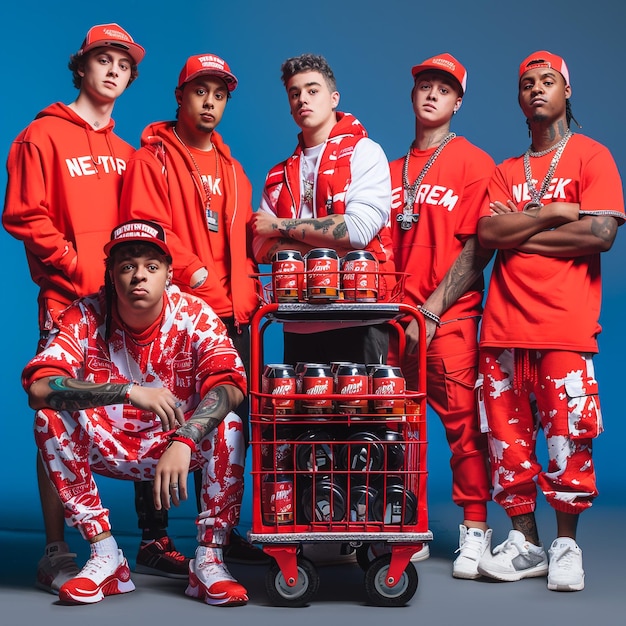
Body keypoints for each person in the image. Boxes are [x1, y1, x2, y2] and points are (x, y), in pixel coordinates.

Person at [1, 23, 183, 590]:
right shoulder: (42, 136)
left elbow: (142, 235)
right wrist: (79, 266)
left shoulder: (129, 154)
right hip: (67, 300)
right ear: (80, 68)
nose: (112, 70)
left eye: (123, 64)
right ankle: (57, 549)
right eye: (102, 59)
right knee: (54, 412)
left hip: (122, 308)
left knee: (133, 407)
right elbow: (24, 215)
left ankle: (142, 540)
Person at [22, 219, 249, 606]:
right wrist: (128, 391)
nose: (138, 276)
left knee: (228, 424)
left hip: (175, 443)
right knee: (49, 417)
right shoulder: (84, 314)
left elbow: (230, 384)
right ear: (111, 275)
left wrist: (186, 437)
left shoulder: (194, 313)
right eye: (127, 266)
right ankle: (105, 554)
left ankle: (209, 558)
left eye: (151, 266)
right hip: (109, 443)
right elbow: (40, 387)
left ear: (168, 274)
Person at [475, 51, 624, 592]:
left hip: (564, 327)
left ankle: (566, 546)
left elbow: (599, 235)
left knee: (568, 442)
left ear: (567, 92)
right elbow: (488, 238)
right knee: (506, 446)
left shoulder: (592, 157)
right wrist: (557, 215)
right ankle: (526, 543)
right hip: (502, 330)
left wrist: (523, 234)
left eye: (548, 81)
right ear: (519, 99)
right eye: (527, 84)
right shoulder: (504, 171)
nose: (536, 90)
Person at [118, 53, 264, 565]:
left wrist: (251, 293)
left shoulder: (233, 169)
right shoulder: (150, 158)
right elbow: (143, 229)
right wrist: (196, 275)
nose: (210, 102)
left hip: (234, 315)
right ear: (180, 97)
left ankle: (218, 531)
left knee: (225, 423)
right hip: (178, 308)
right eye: (200, 91)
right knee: (165, 418)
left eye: (219, 94)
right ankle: (153, 537)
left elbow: (245, 243)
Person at [387, 53, 495, 579]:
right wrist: (398, 314)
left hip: (449, 318)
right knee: (398, 429)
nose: (432, 95)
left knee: (463, 427)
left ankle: (475, 528)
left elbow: (479, 248)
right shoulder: (386, 170)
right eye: (424, 86)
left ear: (458, 102)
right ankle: (413, 525)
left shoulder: (474, 163)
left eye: (444, 89)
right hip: (393, 322)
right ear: (412, 96)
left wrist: (429, 311)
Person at [251, 52, 394, 366]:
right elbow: (259, 244)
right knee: (302, 416)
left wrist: (281, 228)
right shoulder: (278, 174)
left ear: (333, 98)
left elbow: (357, 231)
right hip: (297, 321)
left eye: (312, 90)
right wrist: (330, 242)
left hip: (358, 317)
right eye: (295, 93)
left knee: (359, 416)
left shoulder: (365, 153)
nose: (303, 99)